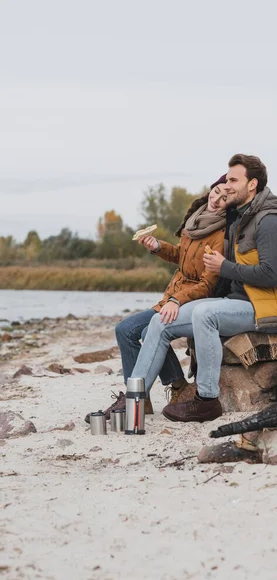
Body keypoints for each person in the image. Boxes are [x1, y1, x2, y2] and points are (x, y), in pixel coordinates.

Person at [128, 154, 277, 424]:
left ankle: (206, 400)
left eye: (233, 180)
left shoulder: (270, 220)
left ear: (253, 184)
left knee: (206, 315)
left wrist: (223, 267)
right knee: (160, 320)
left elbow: (271, 276)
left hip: (265, 307)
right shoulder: (240, 217)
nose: (227, 186)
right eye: (226, 180)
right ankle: (133, 398)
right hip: (238, 302)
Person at [84, 175, 228, 422]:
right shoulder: (196, 220)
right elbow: (182, 258)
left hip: (193, 302)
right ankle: (157, 393)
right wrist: (157, 247)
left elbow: (207, 285)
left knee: (139, 329)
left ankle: (141, 397)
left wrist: (178, 300)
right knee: (125, 329)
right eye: (216, 192)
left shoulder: (221, 235)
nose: (217, 199)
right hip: (171, 297)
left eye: (225, 197)